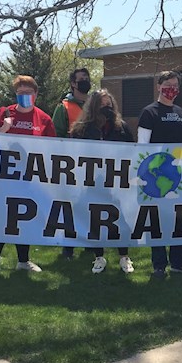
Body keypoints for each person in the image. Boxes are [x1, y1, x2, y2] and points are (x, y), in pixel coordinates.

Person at [0, 75, 57, 276]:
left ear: (35, 94)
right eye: (20, 93)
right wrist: (3, 128)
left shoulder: (44, 119)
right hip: (2, 177)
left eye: (28, 93)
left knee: (24, 218)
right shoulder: (3, 113)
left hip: (29, 178)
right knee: (0, 217)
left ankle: (23, 260)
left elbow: (52, 148)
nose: (24, 96)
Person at [137, 70, 182, 278]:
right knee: (158, 221)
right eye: (167, 85)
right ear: (159, 87)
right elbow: (142, 146)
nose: (171, 89)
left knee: (179, 220)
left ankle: (179, 262)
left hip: (180, 177)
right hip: (157, 177)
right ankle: (159, 264)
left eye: (175, 86)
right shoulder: (149, 113)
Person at [70, 88, 135, 274]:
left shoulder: (121, 127)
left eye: (109, 104)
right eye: (102, 105)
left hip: (117, 181)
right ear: (94, 107)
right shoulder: (82, 128)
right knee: (95, 219)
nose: (106, 108)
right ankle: (99, 257)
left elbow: (131, 150)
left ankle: (124, 256)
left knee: (119, 219)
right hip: (91, 181)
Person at [52, 68, 92, 259]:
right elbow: (56, 136)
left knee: (89, 205)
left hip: (93, 164)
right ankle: (68, 246)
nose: (86, 81)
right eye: (81, 79)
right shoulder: (64, 107)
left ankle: (89, 244)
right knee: (70, 206)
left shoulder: (95, 105)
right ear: (73, 84)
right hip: (71, 165)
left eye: (87, 78)